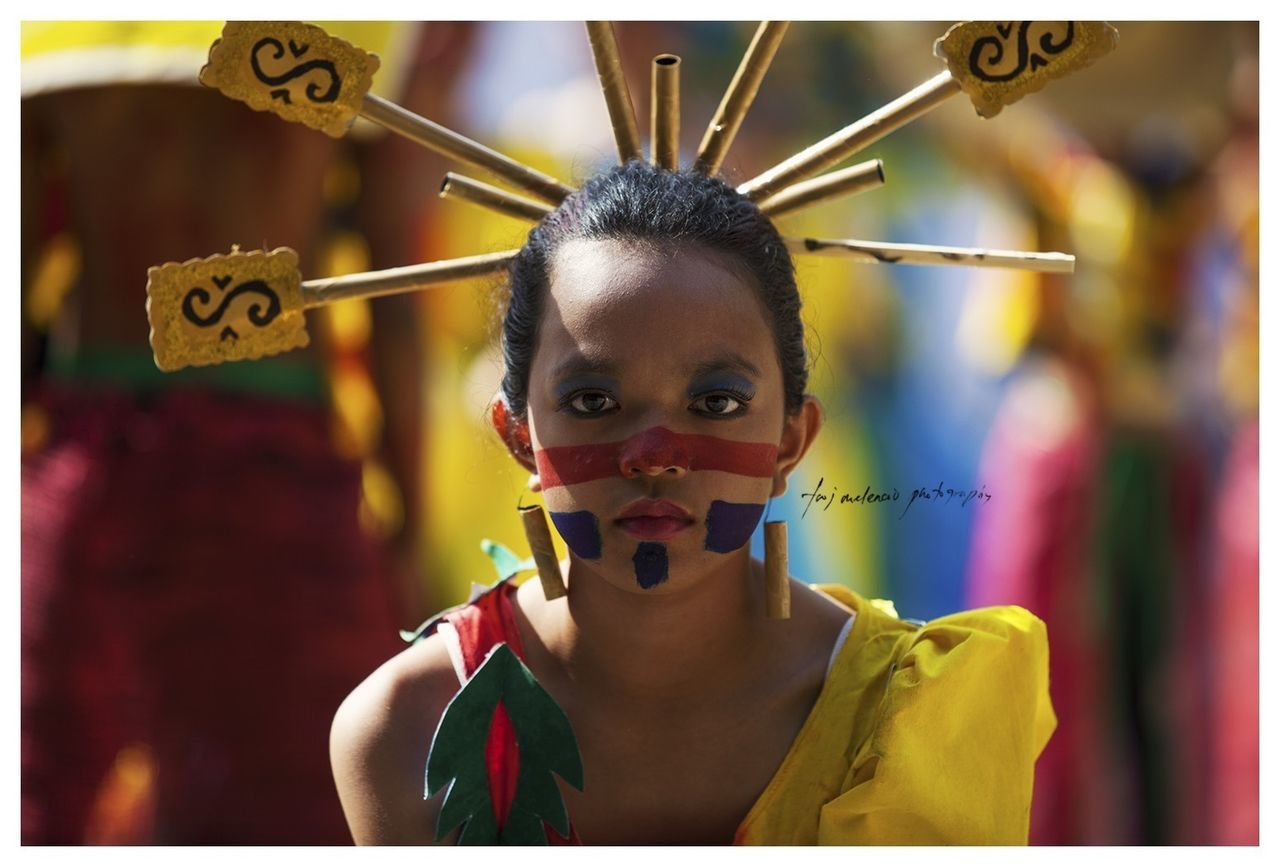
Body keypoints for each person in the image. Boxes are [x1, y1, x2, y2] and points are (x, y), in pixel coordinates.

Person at [329, 161, 1056, 845]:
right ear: (518, 436)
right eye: (593, 400)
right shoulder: (410, 725)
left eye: (716, 401)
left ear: (789, 442)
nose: (655, 454)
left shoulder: (917, 720)